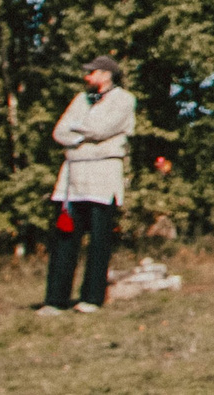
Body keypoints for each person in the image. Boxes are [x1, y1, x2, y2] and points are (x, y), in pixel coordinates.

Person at [40, 55, 134, 316]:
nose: (87, 78)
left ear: (106, 74)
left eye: (92, 73)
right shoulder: (80, 100)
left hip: (103, 174)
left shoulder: (124, 99)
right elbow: (60, 132)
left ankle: (91, 298)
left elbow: (103, 128)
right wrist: (84, 133)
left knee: (99, 239)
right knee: (64, 237)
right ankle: (56, 300)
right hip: (73, 176)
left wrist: (79, 131)